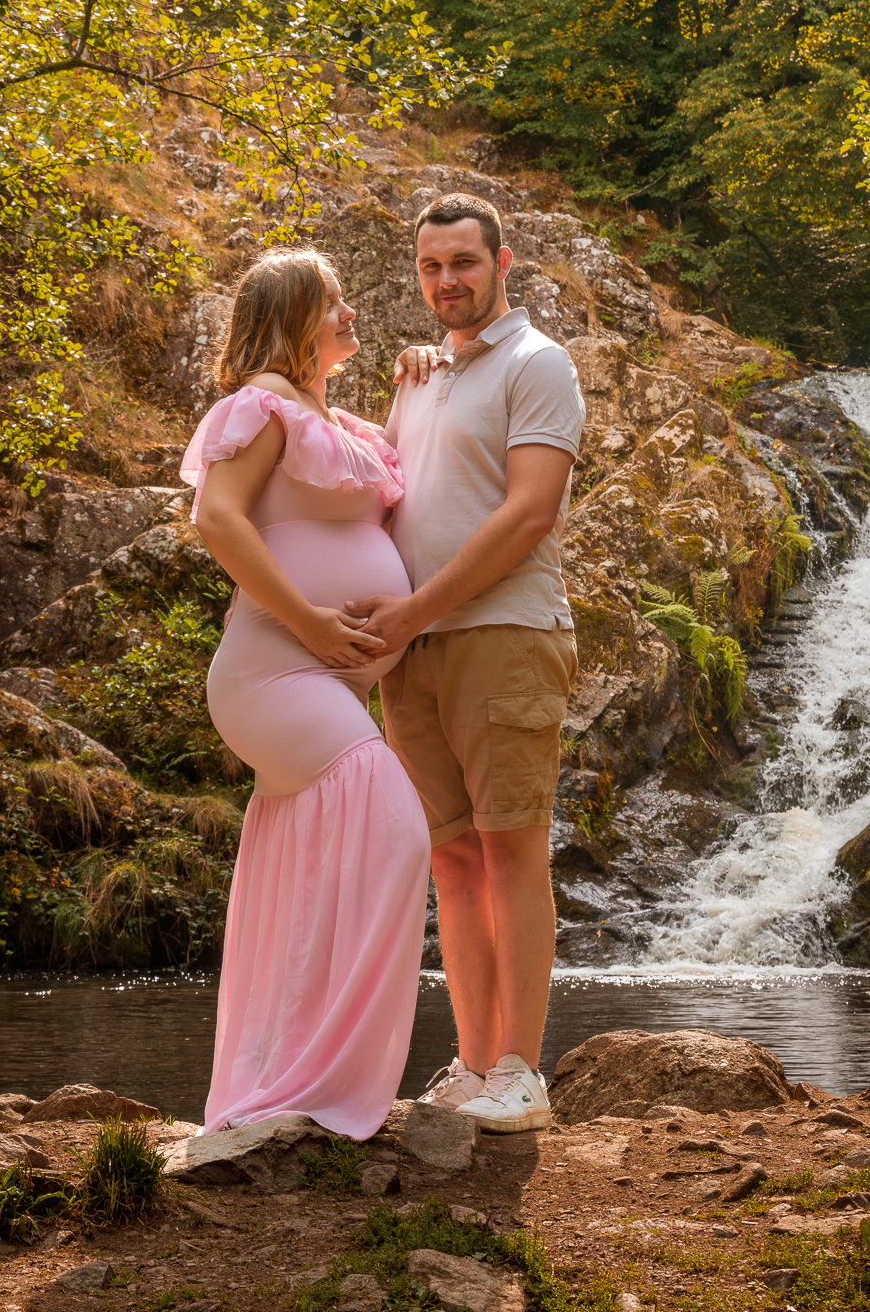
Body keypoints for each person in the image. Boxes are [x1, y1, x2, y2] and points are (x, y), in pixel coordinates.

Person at [345, 192, 586, 1133]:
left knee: (512, 844)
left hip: (505, 634)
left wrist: (410, 611)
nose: (448, 281)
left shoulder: (539, 363)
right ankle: (477, 1061)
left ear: (503, 261)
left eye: (464, 263)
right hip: (417, 648)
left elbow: (529, 515)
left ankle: (523, 1071)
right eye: (431, 267)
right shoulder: (417, 376)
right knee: (452, 854)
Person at [182, 248, 431, 1140]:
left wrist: (420, 373)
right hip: (274, 671)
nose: (353, 314)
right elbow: (217, 519)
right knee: (399, 834)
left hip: (328, 678)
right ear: (293, 318)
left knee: (310, 881)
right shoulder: (260, 408)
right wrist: (315, 626)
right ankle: (324, 1079)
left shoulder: (338, 418)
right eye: (335, 304)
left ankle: (282, 1079)